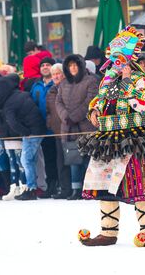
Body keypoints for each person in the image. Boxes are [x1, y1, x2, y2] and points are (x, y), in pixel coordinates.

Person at [78, 26, 145, 247]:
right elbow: (98, 100)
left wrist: (127, 82)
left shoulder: (140, 78)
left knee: (139, 183)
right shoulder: (106, 81)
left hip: (132, 136)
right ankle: (108, 232)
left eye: (121, 59)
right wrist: (94, 111)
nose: (117, 63)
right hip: (107, 138)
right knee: (104, 183)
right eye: (114, 59)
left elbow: (143, 104)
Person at [56, 54, 98, 200]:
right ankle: (76, 189)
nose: (73, 68)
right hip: (68, 127)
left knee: (88, 159)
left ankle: (89, 189)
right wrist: (65, 116)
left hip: (86, 126)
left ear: (81, 66)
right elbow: (58, 102)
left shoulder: (91, 80)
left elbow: (90, 102)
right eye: (70, 65)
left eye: (75, 65)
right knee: (73, 159)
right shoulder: (64, 83)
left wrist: (74, 117)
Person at [0, 74, 46, 200]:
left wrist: (25, 132)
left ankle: (31, 189)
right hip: (37, 128)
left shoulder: (8, 104)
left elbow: (12, 123)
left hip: (32, 132)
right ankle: (32, 187)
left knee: (26, 160)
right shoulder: (19, 94)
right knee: (30, 160)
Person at [30, 57, 58, 197]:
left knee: (57, 158)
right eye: (43, 65)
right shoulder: (36, 85)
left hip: (56, 128)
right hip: (40, 128)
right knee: (46, 159)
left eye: (48, 65)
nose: (45, 67)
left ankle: (57, 185)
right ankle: (49, 185)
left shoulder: (57, 83)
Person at [46, 63, 71, 199]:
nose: (55, 76)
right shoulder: (51, 90)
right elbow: (49, 111)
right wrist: (49, 123)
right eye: (53, 74)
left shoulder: (67, 87)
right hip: (56, 131)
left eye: (58, 73)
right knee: (60, 161)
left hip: (68, 130)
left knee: (70, 161)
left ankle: (71, 188)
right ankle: (64, 188)